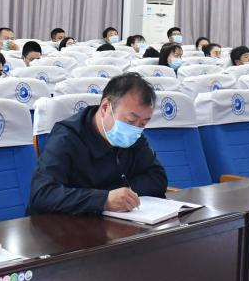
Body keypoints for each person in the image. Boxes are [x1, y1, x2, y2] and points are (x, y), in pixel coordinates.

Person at [29, 72, 167, 215]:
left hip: (116, 221)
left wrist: (122, 195)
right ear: (105, 107)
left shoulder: (135, 136)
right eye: (130, 121)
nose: (135, 129)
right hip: (64, 224)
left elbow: (158, 178)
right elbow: (42, 194)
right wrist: (104, 199)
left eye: (143, 123)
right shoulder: (66, 137)